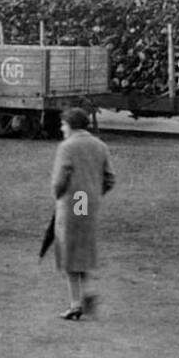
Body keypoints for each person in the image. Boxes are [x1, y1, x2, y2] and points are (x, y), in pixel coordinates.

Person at [50, 107, 116, 320]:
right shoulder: (100, 146)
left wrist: (58, 195)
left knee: (69, 252)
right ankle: (86, 294)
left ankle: (76, 303)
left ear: (70, 125)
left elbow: (60, 180)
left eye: (63, 125)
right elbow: (109, 178)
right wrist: (94, 193)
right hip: (89, 203)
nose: (61, 129)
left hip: (71, 203)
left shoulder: (67, 147)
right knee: (83, 249)